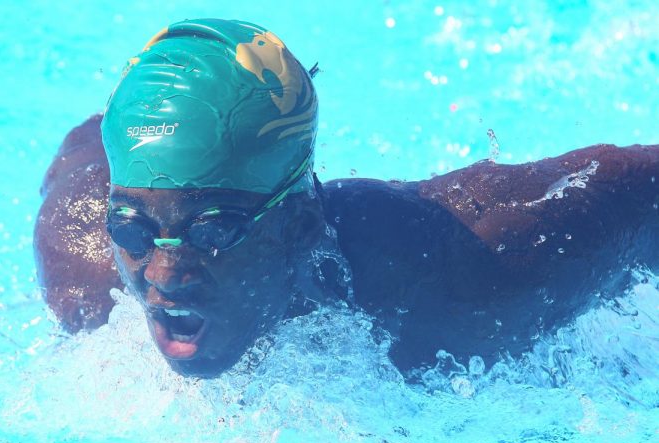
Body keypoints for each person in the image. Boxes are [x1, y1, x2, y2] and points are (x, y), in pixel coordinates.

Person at [34, 18, 658, 377]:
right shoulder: (84, 266)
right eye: (136, 231)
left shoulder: (463, 278)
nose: (164, 274)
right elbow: (92, 143)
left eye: (213, 230)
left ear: (299, 224)